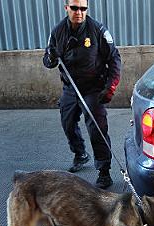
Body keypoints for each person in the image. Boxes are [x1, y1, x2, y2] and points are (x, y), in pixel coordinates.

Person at [43, 0, 121, 189]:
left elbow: (114, 59)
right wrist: (51, 57)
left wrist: (110, 87)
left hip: (93, 89)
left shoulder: (98, 30)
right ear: (66, 8)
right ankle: (80, 154)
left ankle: (104, 171)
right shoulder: (58, 31)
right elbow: (47, 61)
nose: (79, 12)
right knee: (67, 123)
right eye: (75, 8)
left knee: (97, 129)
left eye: (83, 8)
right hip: (71, 88)